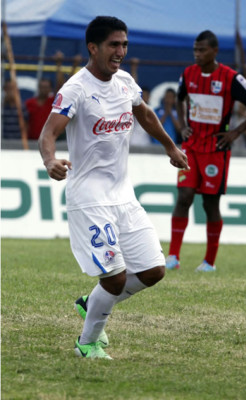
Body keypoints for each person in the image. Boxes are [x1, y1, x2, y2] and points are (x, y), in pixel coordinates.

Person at [38, 16, 189, 360]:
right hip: (89, 198)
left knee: (153, 270)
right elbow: (48, 133)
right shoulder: (75, 88)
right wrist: (50, 161)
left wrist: (170, 147)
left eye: (124, 45)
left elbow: (144, 113)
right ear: (93, 48)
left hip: (123, 195)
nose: (120, 51)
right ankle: (87, 342)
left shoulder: (124, 81)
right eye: (113, 45)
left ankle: (91, 303)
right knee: (116, 278)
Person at [166, 30, 246, 272]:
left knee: (210, 204)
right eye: (195, 50)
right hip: (191, 147)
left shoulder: (231, 78)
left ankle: (209, 262)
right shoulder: (188, 74)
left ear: (214, 51)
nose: (197, 55)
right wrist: (182, 127)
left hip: (216, 148)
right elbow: (180, 99)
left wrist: (236, 131)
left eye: (202, 50)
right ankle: (173, 257)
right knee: (184, 197)